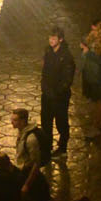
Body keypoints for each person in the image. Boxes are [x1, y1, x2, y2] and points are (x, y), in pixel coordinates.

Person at [16, 109, 50, 201]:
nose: (12, 122)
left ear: (23, 121)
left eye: (15, 120)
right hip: (25, 174)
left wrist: (27, 185)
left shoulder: (30, 139)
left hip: (31, 179)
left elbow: (36, 163)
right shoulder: (23, 133)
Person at [41, 25, 76, 156]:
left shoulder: (66, 57)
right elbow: (45, 71)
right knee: (46, 121)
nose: (51, 40)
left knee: (61, 122)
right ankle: (47, 145)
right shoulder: (48, 51)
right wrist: (44, 87)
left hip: (60, 97)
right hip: (47, 94)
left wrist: (57, 92)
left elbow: (67, 79)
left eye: (54, 38)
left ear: (60, 40)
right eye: (50, 38)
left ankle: (62, 148)